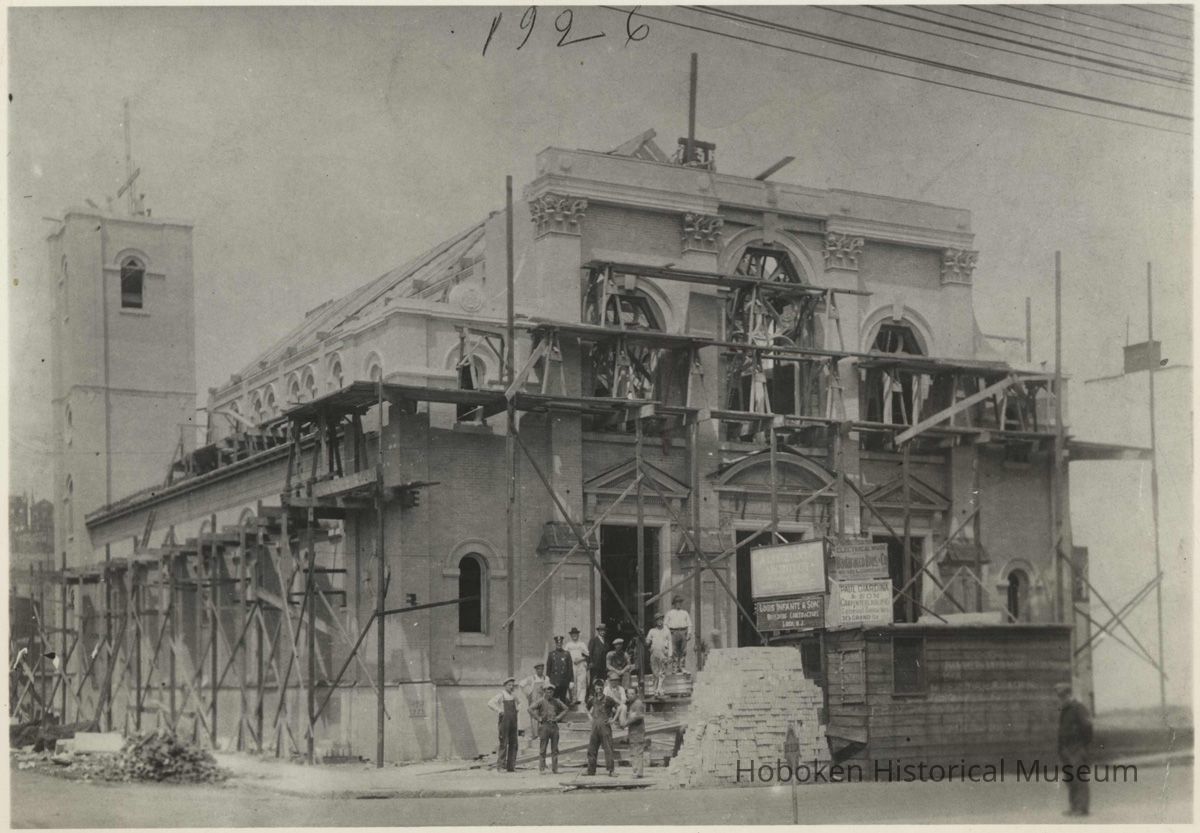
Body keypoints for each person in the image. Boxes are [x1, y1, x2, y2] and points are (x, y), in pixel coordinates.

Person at [1056, 682, 1093, 816]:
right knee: (1070, 779)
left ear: (1069, 695)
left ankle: (1082, 808)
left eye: (1063, 696)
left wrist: (1083, 745)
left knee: (1079, 778)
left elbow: (1087, 727)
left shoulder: (1078, 708)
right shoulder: (1065, 710)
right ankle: (1074, 806)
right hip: (1066, 750)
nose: (1061, 699)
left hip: (1077, 748)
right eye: (1059, 696)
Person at [529, 681, 569, 774]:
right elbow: (530, 709)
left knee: (554, 749)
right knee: (543, 749)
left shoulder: (556, 701)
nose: (549, 693)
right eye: (547, 691)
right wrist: (538, 718)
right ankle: (542, 769)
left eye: (551, 691)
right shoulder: (540, 701)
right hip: (544, 726)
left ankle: (555, 769)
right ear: (544, 691)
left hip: (554, 726)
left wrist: (558, 717)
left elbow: (566, 708)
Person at [584, 679, 617, 777]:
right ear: (594, 687)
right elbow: (586, 708)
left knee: (608, 748)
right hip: (595, 726)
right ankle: (591, 770)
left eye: (601, 685)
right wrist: (590, 717)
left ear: (603, 687)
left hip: (605, 726)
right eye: (597, 686)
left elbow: (618, 708)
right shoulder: (592, 699)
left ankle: (611, 770)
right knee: (592, 748)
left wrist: (613, 719)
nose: (599, 687)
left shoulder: (608, 699)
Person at [486, 676, 520, 772]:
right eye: (509, 685)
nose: (511, 687)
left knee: (514, 743)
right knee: (503, 743)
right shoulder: (501, 695)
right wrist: (499, 710)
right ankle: (500, 766)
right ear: (505, 686)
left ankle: (511, 767)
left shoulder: (513, 695)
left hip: (513, 721)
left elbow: (520, 703)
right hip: (504, 721)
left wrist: (517, 708)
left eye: (512, 685)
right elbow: (490, 703)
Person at [519, 662, 549, 748]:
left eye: (542, 669)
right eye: (539, 669)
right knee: (534, 717)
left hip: (543, 699)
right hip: (534, 700)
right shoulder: (531, 678)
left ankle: (542, 734)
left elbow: (548, 687)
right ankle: (535, 735)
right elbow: (521, 684)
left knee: (543, 715)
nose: (540, 670)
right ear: (536, 670)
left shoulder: (546, 678)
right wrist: (528, 693)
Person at [621, 686, 647, 778]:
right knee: (634, 752)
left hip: (638, 732)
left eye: (632, 693)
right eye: (628, 693)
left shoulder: (638, 703)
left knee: (637, 752)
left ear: (636, 694)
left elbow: (639, 716)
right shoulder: (632, 704)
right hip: (633, 732)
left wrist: (626, 723)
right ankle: (637, 771)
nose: (630, 695)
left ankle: (637, 772)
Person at [664, 595, 693, 673]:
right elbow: (665, 624)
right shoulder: (670, 613)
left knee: (683, 650)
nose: (679, 604)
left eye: (680, 602)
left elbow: (689, 624)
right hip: (673, 632)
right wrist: (668, 634)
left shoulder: (685, 613)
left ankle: (682, 667)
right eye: (677, 602)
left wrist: (689, 633)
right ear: (674, 603)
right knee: (674, 650)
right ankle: (675, 667)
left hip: (683, 632)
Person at [646, 613, 671, 696]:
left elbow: (670, 643)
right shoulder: (652, 631)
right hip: (654, 654)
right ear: (655, 622)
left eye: (661, 619)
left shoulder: (667, 631)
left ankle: (661, 689)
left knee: (662, 672)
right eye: (657, 620)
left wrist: (670, 655)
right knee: (655, 672)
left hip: (663, 654)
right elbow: (647, 642)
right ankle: (655, 690)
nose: (659, 621)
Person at [563, 627, 590, 705]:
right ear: (571, 635)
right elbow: (565, 656)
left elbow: (587, 655)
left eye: (576, 634)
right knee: (572, 682)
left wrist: (580, 659)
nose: (574, 636)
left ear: (578, 635)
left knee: (582, 682)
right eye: (573, 634)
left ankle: (581, 699)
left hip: (581, 665)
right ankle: (573, 699)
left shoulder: (582, 644)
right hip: (572, 666)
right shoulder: (568, 645)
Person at [545, 635, 575, 704]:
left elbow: (570, 668)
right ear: (555, 644)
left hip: (564, 682)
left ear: (562, 644)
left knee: (562, 700)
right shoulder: (551, 654)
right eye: (557, 643)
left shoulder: (567, 654)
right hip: (554, 682)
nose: (559, 645)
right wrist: (547, 677)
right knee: (553, 700)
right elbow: (548, 667)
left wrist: (571, 681)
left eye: (560, 643)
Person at [587, 624, 609, 690]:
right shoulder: (593, 640)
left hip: (603, 666)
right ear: (598, 631)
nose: (603, 632)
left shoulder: (606, 642)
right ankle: (591, 695)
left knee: (602, 680)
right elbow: (589, 652)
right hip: (595, 665)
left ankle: (600, 696)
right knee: (593, 680)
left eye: (604, 631)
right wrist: (590, 662)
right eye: (601, 630)